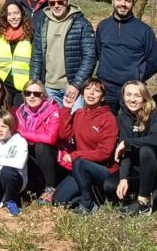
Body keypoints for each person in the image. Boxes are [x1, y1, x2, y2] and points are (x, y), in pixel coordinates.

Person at [105, 80, 157, 216]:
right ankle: (149, 191)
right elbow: (125, 153)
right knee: (110, 186)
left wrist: (128, 142)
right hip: (137, 169)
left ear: (144, 97)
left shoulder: (156, 112)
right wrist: (124, 178)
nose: (132, 99)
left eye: (137, 95)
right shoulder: (121, 119)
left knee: (146, 150)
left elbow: (156, 139)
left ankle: (143, 202)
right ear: (123, 96)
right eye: (128, 95)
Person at [52, 78, 118, 214]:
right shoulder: (79, 113)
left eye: (96, 91)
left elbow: (104, 153)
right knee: (58, 200)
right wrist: (66, 109)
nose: (91, 93)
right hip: (81, 169)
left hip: (103, 170)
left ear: (102, 97)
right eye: (88, 89)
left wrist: (76, 155)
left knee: (79, 162)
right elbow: (65, 135)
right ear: (83, 93)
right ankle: (91, 195)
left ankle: (88, 204)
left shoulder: (108, 118)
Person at [94, 0, 157, 113]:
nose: (123, 4)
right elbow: (99, 52)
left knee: (130, 124)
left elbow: (153, 62)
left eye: (127, 1)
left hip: (132, 91)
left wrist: (138, 76)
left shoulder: (144, 30)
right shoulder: (103, 26)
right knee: (106, 123)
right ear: (112, 1)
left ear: (132, 3)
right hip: (106, 88)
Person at [30, 0, 96, 111]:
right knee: (52, 122)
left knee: (75, 121)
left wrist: (76, 85)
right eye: (52, 3)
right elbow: (37, 57)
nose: (56, 6)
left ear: (67, 2)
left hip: (72, 88)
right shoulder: (43, 23)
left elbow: (90, 57)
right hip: (49, 88)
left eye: (60, 2)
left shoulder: (82, 24)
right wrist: (35, 85)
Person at [14, 80, 60, 202]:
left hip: (50, 155)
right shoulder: (20, 111)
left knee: (41, 146)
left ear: (43, 95)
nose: (32, 96)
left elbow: (50, 138)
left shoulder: (53, 110)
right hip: (30, 152)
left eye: (36, 94)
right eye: (28, 93)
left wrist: (22, 134)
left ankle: (50, 188)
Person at [0, 0, 35, 107]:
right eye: (9, 14)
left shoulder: (30, 35)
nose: (13, 17)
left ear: (22, 15)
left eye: (16, 13)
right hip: (3, 84)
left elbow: (36, 61)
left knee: (19, 115)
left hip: (23, 86)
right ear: (5, 16)